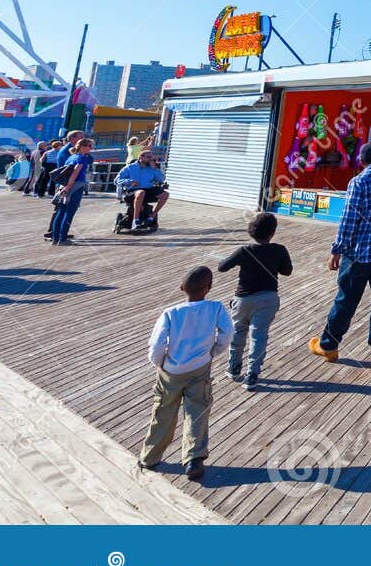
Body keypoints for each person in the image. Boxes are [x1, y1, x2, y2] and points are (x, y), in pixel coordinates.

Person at [308, 141, 371, 377]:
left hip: (359, 253)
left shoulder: (360, 182)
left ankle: (329, 346)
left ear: (362, 162)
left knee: (345, 301)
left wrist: (338, 249)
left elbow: (349, 219)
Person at [139, 265, 233, 483]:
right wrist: (213, 352)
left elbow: (156, 344)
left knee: (163, 411)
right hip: (199, 368)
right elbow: (227, 334)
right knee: (197, 411)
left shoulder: (171, 313)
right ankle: (194, 459)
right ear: (209, 288)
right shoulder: (216, 308)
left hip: (170, 370)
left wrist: (159, 363)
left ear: (182, 287)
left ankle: (150, 457)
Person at [218, 212, 293, 389]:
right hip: (268, 299)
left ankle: (234, 367)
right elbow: (287, 271)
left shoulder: (245, 251)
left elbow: (222, 267)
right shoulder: (279, 250)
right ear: (272, 233)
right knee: (259, 336)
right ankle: (252, 374)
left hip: (243, 300)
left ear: (252, 230)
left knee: (238, 332)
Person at [47, 136, 95, 245]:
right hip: (75, 187)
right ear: (82, 147)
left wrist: (65, 187)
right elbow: (75, 172)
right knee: (69, 213)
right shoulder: (82, 158)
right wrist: (69, 187)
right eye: (89, 146)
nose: (90, 148)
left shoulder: (71, 157)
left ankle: (55, 238)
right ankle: (62, 239)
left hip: (65, 186)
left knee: (61, 212)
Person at [116, 148, 169, 228]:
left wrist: (155, 169)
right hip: (133, 190)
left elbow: (161, 179)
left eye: (152, 158)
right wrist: (129, 181)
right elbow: (117, 180)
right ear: (141, 157)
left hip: (148, 189)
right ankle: (135, 220)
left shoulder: (152, 168)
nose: (151, 159)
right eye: (148, 157)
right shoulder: (130, 167)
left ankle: (152, 216)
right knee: (141, 192)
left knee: (165, 194)